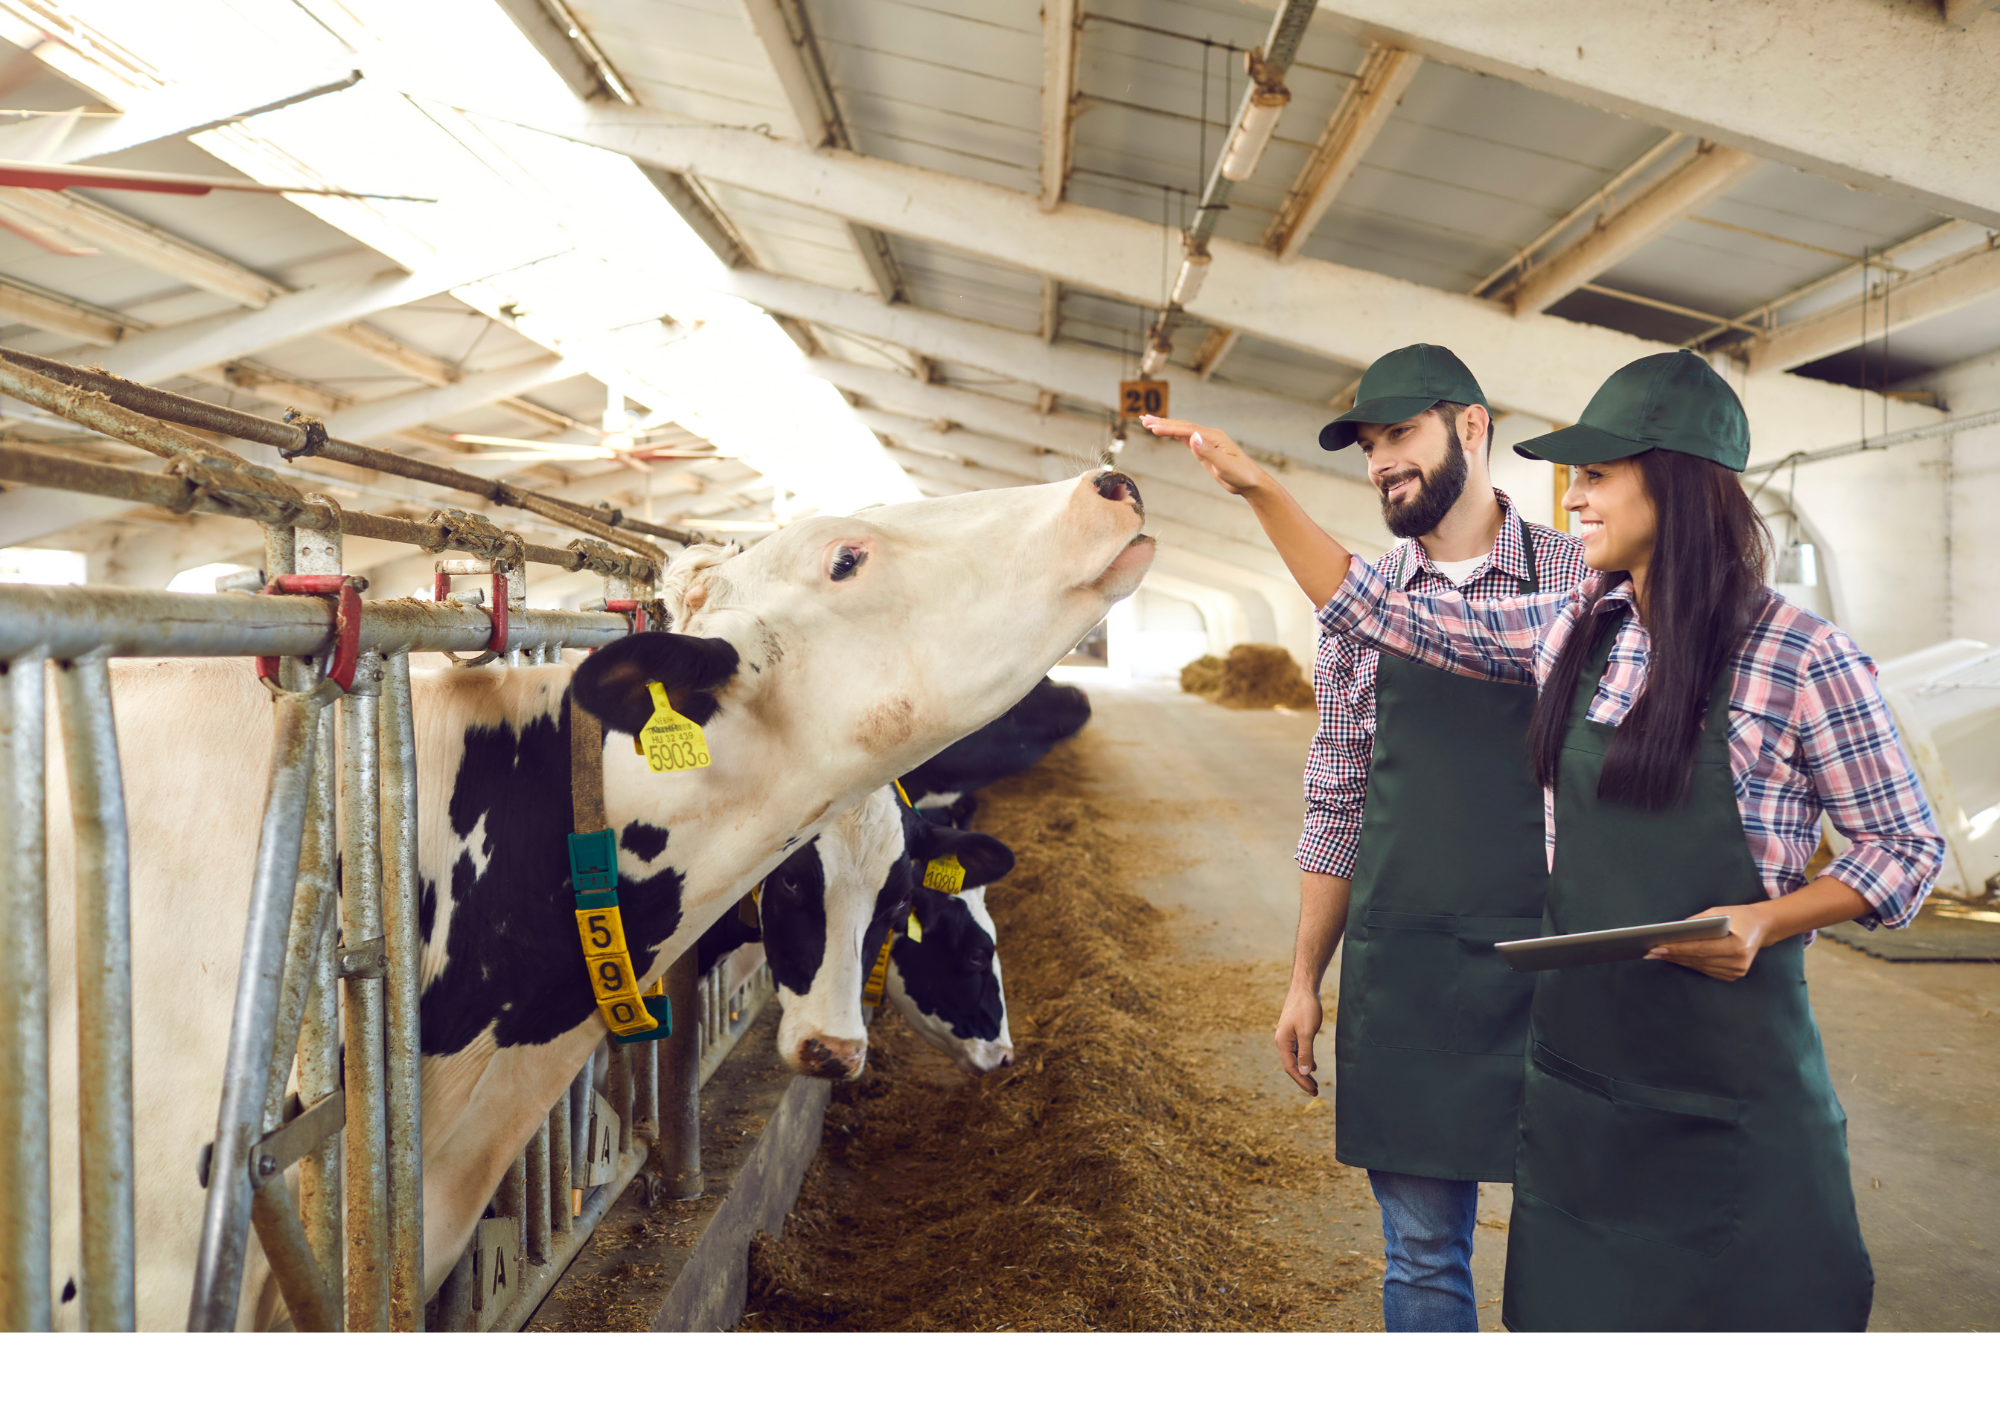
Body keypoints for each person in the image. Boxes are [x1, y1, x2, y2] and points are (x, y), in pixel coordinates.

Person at [1146, 349, 1944, 1331]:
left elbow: (1905, 848)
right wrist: (1258, 488)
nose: (1576, 496)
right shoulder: (1576, 628)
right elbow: (1375, 613)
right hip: (1581, 1051)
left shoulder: (1803, 657)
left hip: (1724, 1072)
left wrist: (1770, 919)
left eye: (1598, 474)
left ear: (1679, 484)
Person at [1160, 343, 1588, 1332]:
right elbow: (1337, 797)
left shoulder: (1576, 576)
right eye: (1365, 445)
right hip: (1409, 965)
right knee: (1421, 1255)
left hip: (1556, 957)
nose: (1379, 461)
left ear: (1469, 427)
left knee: (1565, 1245)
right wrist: (1304, 977)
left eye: (1398, 433)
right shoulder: (1353, 607)